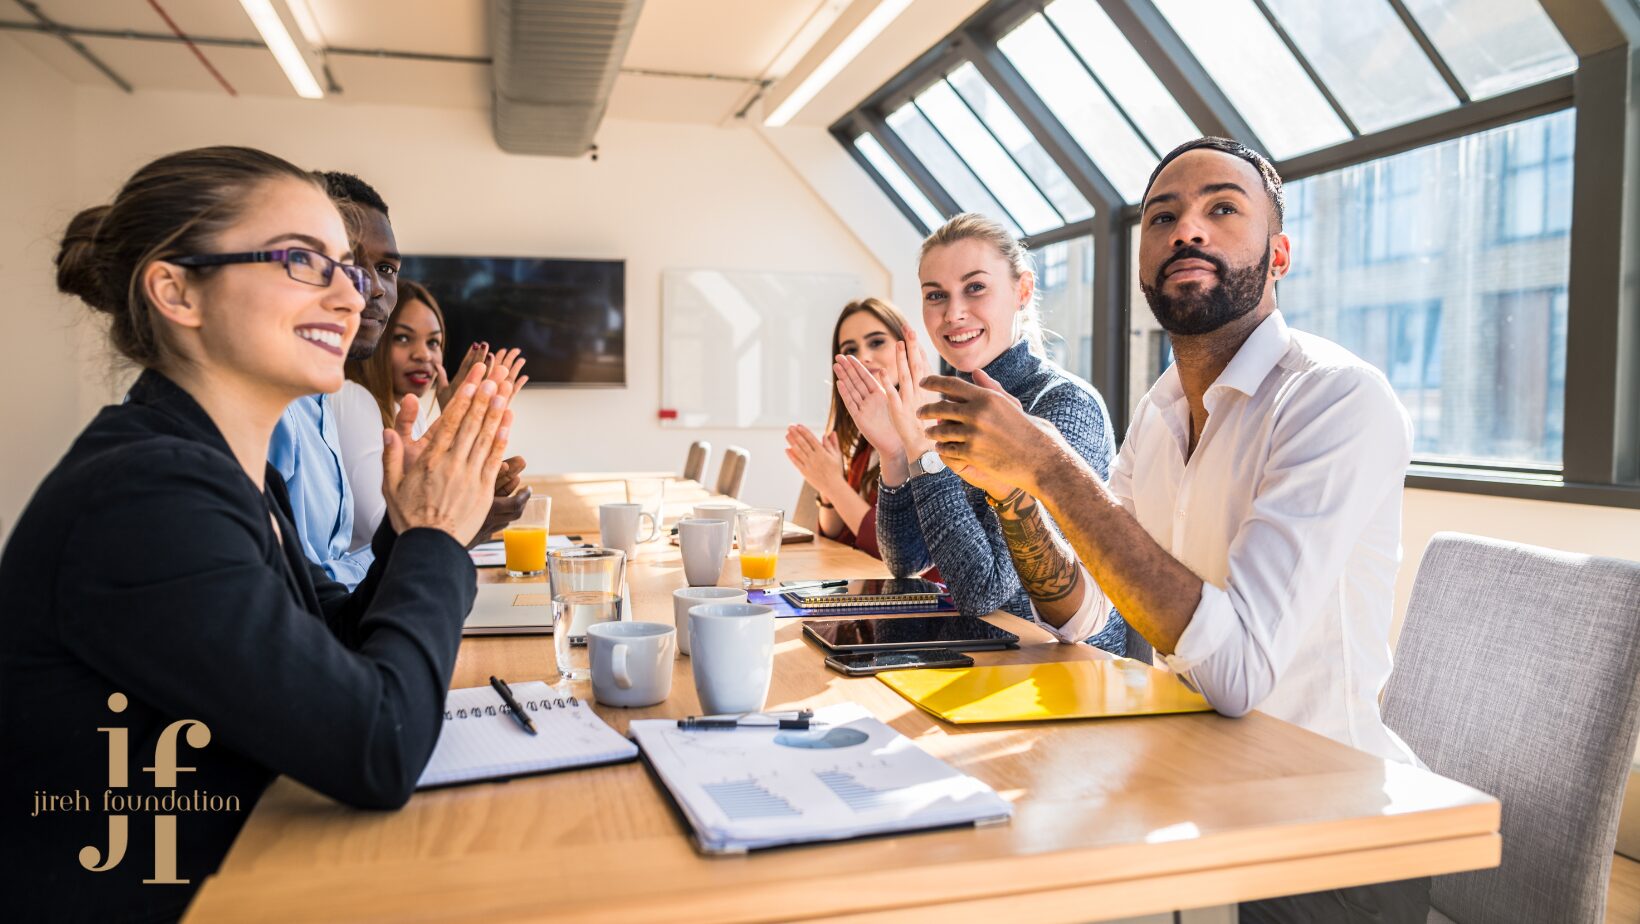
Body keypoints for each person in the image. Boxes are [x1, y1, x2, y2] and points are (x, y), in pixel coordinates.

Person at [0, 146, 519, 921]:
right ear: (176, 290)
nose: (354, 297)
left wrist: (412, 529)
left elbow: (327, 648)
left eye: (350, 268)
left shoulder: (223, 469)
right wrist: (439, 538)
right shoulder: (143, 497)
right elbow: (378, 745)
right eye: (304, 261)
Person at [918, 138, 1427, 922]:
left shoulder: (1335, 399)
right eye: (1164, 217)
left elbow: (1238, 675)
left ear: (1278, 254)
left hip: (1322, 838)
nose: (1188, 230)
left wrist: (1049, 466)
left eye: (1222, 208)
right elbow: (1088, 615)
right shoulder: (1158, 412)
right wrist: (1017, 496)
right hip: (1187, 790)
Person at [835, 213, 1126, 654]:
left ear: (1022, 291)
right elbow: (906, 562)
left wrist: (922, 448)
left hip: (1062, 675)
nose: (953, 313)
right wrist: (895, 452)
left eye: (975, 288)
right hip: (985, 657)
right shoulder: (948, 402)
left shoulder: (1064, 407)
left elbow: (986, 592)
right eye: (936, 295)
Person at [335, 278, 528, 551]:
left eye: (434, 342)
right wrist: (474, 517)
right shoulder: (353, 398)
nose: (424, 355)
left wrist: (475, 495)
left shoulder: (410, 416)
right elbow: (398, 533)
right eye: (403, 338)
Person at [784, 297, 921, 565]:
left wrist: (833, 485)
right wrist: (828, 490)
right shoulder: (865, 439)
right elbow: (838, 534)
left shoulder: (924, 432)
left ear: (904, 345)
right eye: (851, 350)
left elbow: (896, 550)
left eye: (876, 342)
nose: (863, 358)